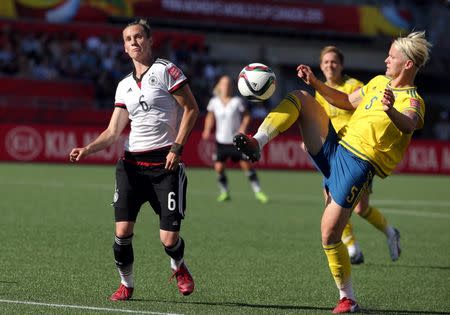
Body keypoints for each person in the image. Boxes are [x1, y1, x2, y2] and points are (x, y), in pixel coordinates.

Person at [234, 31, 431, 313]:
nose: (386, 59)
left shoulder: (412, 99)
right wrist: (315, 83)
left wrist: (390, 111)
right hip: (337, 146)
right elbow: (347, 102)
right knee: (301, 97)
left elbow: (410, 123)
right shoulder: (377, 82)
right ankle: (257, 141)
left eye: (392, 56)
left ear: (408, 64)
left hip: (359, 165)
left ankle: (347, 299)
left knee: (328, 234)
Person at [69, 18, 199, 301]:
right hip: (131, 166)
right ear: (124, 48)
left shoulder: (167, 71)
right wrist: (87, 149)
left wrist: (176, 148)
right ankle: (126, 285)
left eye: (139, 37)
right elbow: (113, 131)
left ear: (150, 41)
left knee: (168, 238)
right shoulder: (123, 85)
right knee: (122, 232)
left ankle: (178, 265)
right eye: (128, 39)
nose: (134, 43)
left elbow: (191, 109)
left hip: (165, 164)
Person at [315, 46, 401, 265]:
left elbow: (367, 112)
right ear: (321, 66)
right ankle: (353, 249)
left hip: (357, 153)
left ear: (341, 65)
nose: (329, 65)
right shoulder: (321, 90)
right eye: (325, 62)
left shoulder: (354, 86)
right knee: (332, 200)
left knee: (361, 208)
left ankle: (391, 232)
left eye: (333, 61)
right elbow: (320, 118)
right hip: (334, 153)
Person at [202, 75, 268, 203]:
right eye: (223, 84)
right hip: (221, 141)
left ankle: (258, 191)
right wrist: (206, 129)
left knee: (246, 166)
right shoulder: (214, 102)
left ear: (231, 87)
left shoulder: (237, 101)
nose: (226, 86)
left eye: (228, 84)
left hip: (236, 142)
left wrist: (243, 127)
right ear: (219, 86)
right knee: (219, 168)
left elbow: (247, 116)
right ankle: (224, 192)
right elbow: (210, 117)